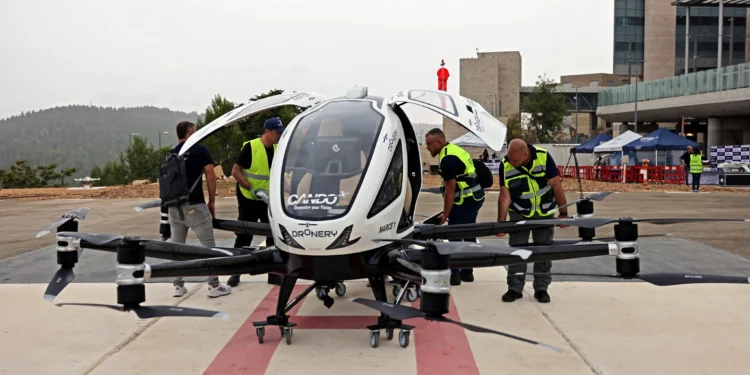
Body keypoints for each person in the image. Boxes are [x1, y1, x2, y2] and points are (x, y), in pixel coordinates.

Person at [496, 139, 569, 303]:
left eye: (515, 161)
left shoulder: (543, 157)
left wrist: (563, 213)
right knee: (517, 252)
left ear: (526, 154)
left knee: (543, 252)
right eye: (510, 159)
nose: (511, 163)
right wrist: (501, 222)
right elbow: (505, 194)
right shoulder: (505, 164)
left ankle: (541, 288)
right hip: (519, 212)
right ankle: (514, 288)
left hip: (544, 213)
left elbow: (556, 185)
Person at [168, 121, 232, 298]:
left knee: (177, 248)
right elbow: (211, 175)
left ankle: (178, 285)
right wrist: (211, 201)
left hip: (174, 208)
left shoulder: (172, 153)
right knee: (208, 247)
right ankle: (214, 285)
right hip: (195, 206)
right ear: (190, 134)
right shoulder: (200, 150)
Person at [227, 117, 285, 287]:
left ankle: (274, 274)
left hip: (267, 200)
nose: (280, 136)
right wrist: (250, 187)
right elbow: (236, 171)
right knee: (244, 235)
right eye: (277, 133)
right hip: (249, 198)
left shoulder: (277, 149)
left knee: (272, 236)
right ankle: (235, 272)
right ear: (267, 131)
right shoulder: (251, 147)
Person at [424, 128, 485, 286]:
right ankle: (467, 272)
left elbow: (450, 189)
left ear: (440, 142)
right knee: (468, 232)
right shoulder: (454, 149)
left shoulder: (448, 158)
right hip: (473, 197)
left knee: (455, 233)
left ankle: (455, 274)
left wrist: (445, 214)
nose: (427, 147)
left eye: (429, 144)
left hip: (465, 199)